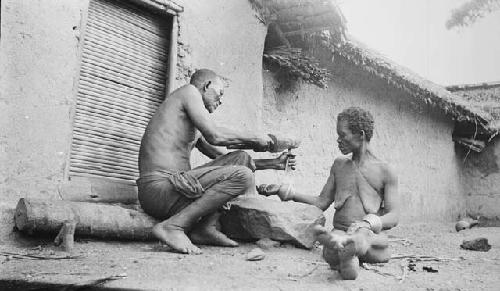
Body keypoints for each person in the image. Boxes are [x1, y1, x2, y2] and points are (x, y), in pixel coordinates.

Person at [137, 69, 296, 255]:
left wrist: (273, 163)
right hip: (158, 191)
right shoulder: (189, 92)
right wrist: (260, 139)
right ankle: (173, 226)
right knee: (242, 175)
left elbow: (222, 158)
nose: (221, 101)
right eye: (220, 93)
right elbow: (216, 135)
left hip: (175, 192)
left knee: (240, 159)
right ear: (207, 86)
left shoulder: (193, 125)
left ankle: (204, 228)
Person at [257, 107, 399, 279]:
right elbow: (321, 202)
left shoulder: (385, 171)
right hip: (341, 230)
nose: (338, 140)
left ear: (360, 135)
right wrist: (286, 192)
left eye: (343, 135)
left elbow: (394, 216)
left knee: (360, 239)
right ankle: (347, 257)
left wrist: (369, 223)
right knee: (333, 244)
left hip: (369, 233)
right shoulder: (339, 165)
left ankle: (349, 250)